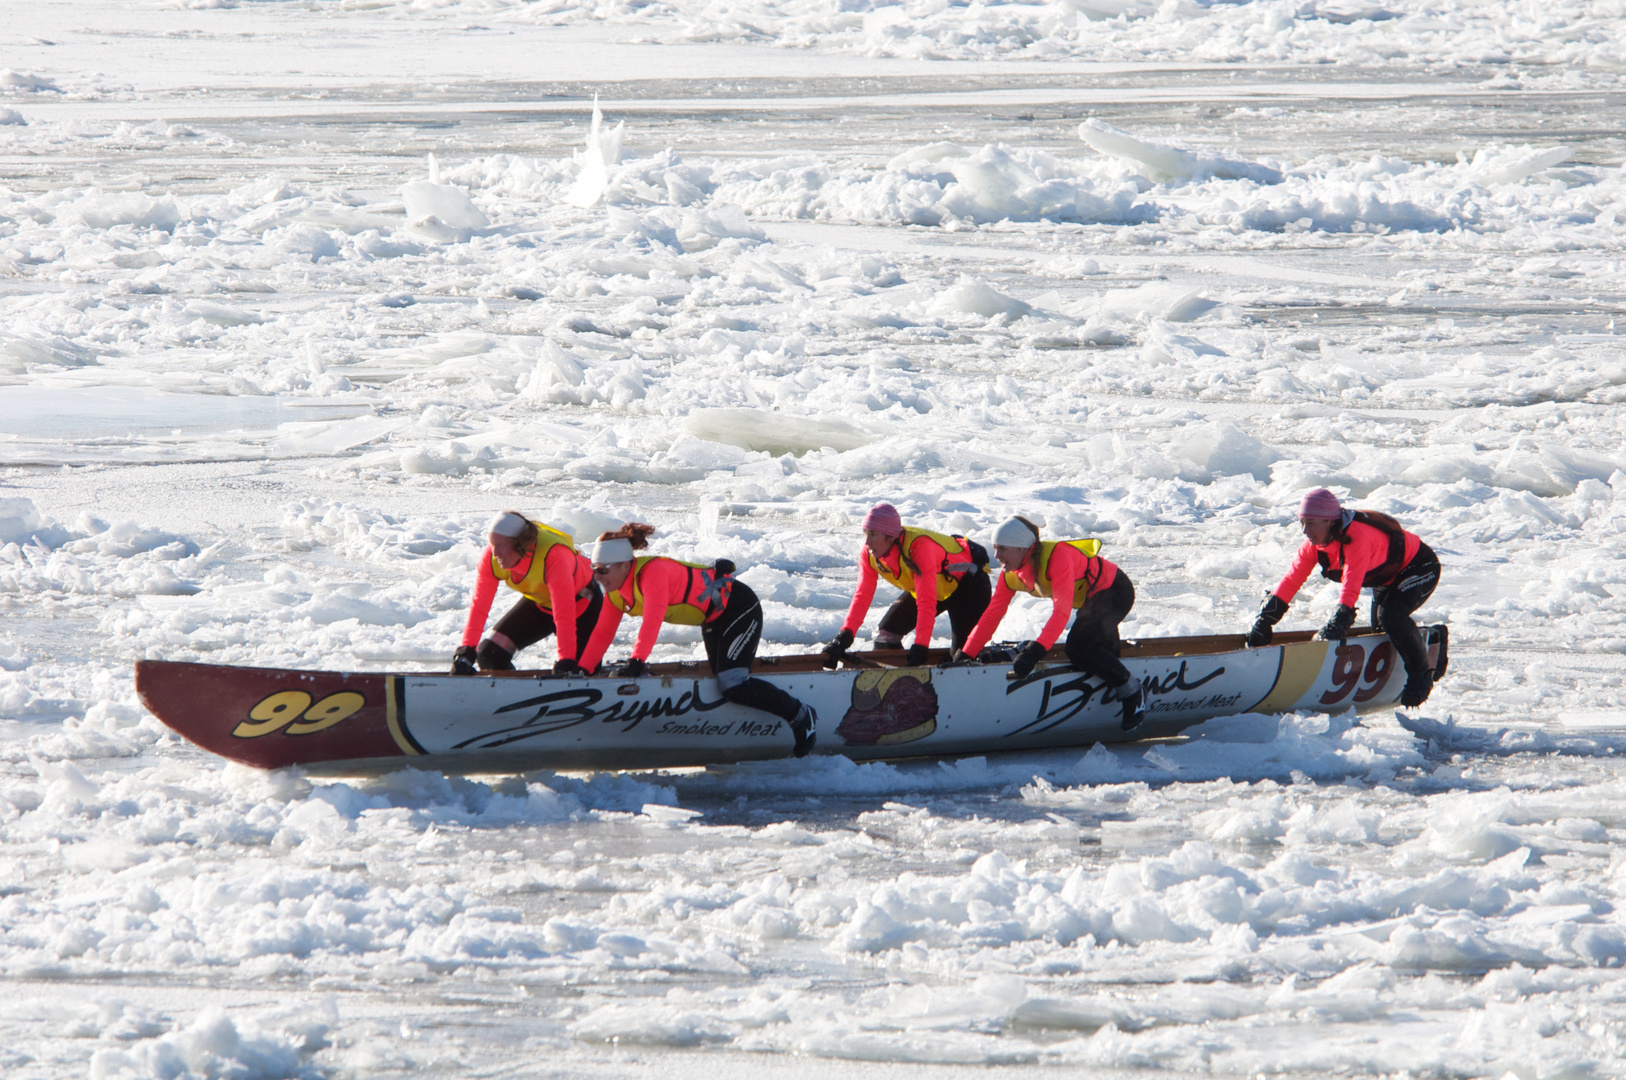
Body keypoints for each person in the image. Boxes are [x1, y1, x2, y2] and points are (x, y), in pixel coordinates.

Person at [577, 523, 816, 758]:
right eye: (594, 570)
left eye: (603, 570)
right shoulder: (616, 592)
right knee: (720, 679)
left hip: (739, 607)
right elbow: (601, 635)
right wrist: (581, 672)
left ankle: (800, 714)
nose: (597, 578)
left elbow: (652, 621)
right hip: (712, 619)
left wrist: (637, 661)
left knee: (732, 682)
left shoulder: (653, 573)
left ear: (624, 565)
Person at [1245, 488, 1440, 707]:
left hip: (1419, 567)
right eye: (1302, 522)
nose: (1305, 530)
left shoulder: (1357, 537)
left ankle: (1420, 677)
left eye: (1310, 522)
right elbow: (1291, 580)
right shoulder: (1314, 545)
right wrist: (1265, 620)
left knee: (1391, 617)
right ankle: (1435, 639)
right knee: (1382, 632)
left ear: (1329, 521)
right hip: (1385, 579)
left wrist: (1340, 619)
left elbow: (1351, 583)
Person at [949, 516, 1143, 729]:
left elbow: (1061, 613)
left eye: (1003, 549)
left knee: (1079, 647)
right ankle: (1114, 673)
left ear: (1024, 548)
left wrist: (1034, 653)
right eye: (995, 548)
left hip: (1115, 592)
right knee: (1099, 654)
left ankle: (1132, 691)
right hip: (1090, 601)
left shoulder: (1059, 558)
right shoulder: (1011, 573)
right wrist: (967, 654)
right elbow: (991, 615)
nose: (997, 556)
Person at [819, 503, 992, 668]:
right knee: (886, 637)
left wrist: (921, 647)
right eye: (865, 533)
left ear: (890, 536)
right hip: (938, 589)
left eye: (873, 534)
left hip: (969, 589)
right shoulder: (870, 554)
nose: (867, 542)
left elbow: (926, 602)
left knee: (962, 659)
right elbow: (862, 595)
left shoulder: (919, 547)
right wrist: (844, 636)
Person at [452, 511, 601, 676]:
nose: (495, 553)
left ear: (519, 543)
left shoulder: (554, 556)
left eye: (500, 545)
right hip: (542, 605)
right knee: (489, 655)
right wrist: (466, 650)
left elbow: (564, 613)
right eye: (492, 544)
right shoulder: (492, 559)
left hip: (582, 605)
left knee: (581, 672)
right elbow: (479, 606)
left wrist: (566, 660)